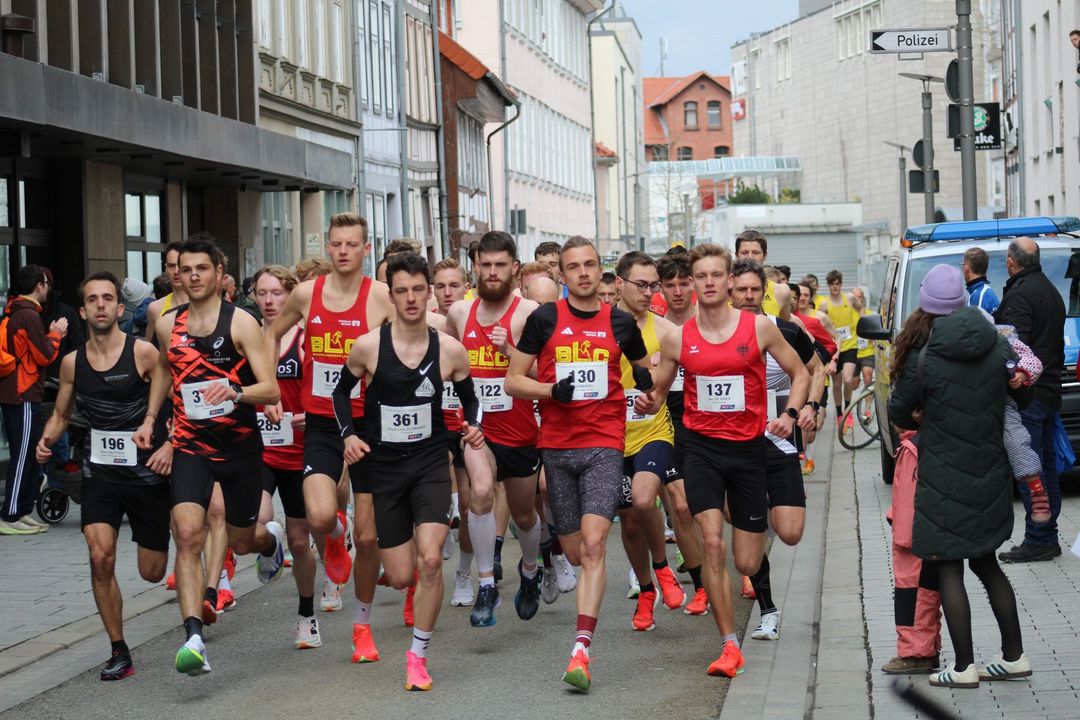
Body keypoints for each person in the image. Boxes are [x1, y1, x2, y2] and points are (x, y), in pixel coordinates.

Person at [639, 243, 809, 679]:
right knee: (711, 542)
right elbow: (659, 390)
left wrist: (791, 413)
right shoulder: (676, 336)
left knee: (747, 561)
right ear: (693, 283)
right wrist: (647, 400)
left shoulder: (758, 328)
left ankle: (751, 567)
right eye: (703, 276)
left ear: (730, 281)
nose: (710, 282)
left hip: (749, 450)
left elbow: (801, 373)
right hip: (701, 449)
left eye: (718, 275)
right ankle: (729, 644)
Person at [506, 236, 653, 692]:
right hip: (557, 447)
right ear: (562, 275)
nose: (584, 273)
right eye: (574, 267)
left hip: (604, 444)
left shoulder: (621, 322)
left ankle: (581, 650)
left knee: (593, 546)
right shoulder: (545, 319)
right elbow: (513, 381)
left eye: (591, 264)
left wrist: (649, 395)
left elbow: (646, 373)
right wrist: (551, 392)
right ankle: (555, 565)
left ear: (599, 269)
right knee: (574, 551)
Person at [333, 252, 484, 692]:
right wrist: (347, 436)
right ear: (392, 296)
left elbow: (470, 398)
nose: (412, 298)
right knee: (400, 575)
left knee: (432, 559)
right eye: (402, 291)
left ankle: (417, 655)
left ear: (431, 292)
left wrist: (474, 425)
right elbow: (340, 395)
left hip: (431, 463)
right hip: (383, 468)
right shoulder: (367, 346)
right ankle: (407, 586)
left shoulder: (450, 350)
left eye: (420, 289)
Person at [136, 233, 284, 676]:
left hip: (238, 447)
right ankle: (194, 638)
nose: (194, 275)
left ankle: (270, 541)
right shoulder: (167, 324)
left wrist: (236, 391)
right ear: (177, 275)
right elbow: (165, 366)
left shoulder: (241, 323)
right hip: (190, 446)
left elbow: (270, 388)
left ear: (220, 275)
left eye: (203, 268)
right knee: (187, 534)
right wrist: (150, 417)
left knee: (242, 539)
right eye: (186, 269)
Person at [888, 264, 1031, 689]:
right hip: (989, 471)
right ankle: (1014, 656)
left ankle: (964, 666)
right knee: (987, 564)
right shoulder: (997, 344)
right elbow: (1023, 392)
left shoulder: (923, 354)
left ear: (927, 307)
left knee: (948, 566)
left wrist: (920, 412)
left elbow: (898, 410)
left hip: (943, 474)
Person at [267, 212, 396, 664]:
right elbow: (270, 332)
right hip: (321, 421)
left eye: (351, 244)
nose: (343, 251)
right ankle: (333, 539)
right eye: (336, 243)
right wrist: (268, 388)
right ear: (328, 247)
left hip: (370, 423)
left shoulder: (380, 297)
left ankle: (361, 626)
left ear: (365, 249)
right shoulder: (306, 294)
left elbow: (411, 341)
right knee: (320, 518)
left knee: (369, 538)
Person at [35, 271, 173, 680]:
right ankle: (119, 650)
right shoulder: (73, 363)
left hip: (147, 475)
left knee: (152, 572)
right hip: (101, 475)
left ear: (118, 307)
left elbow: (172, 398)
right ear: (82, 310)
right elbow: (61, 414)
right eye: (92, 299)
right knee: (100, 557)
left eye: (107, 298)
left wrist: (165, 439)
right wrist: (46, 440)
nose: (100, 304)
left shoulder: (144, 353)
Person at [445, 231, 546, 627]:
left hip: (520, 431)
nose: (491, 272)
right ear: (475, 268)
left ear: (514, 268)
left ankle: (531, 569)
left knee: (523, 515)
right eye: (484, 265)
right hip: (477, 429)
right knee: (481, 494)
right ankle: (485, 583)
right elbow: (446, 362)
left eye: (499, 265)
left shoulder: (530, 314)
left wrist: (511, 354)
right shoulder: (459, 314)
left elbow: (546, 376)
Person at [729, 261, 822, 642]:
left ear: (765, 294)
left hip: (779, 442)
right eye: (743, 290)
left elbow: (816, 370)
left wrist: (808, 409)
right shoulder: (716, 337)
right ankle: (768, 609)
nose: (749, 297)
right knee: (747, 555)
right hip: (735, 450)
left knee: (790, 532)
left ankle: (757, 514)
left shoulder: (785, 332)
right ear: (730, 293)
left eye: (756, 291)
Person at [612, 252, 687, 632]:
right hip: (610, 437)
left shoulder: (667, 331)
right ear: (618, 283)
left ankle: (663, 567)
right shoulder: (600, 326)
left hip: (653, 430)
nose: (648, 292)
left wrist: (652, 394)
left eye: (652, 285)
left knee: (645, 499)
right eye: (640, 285)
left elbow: (662, 391)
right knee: (627, 522)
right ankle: (645, 591)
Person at [252, 264, 323, 649]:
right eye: (261, 293)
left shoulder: (305, 335)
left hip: (299, 451)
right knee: (259, 520)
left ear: (291, 295)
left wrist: (311, 416)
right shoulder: (248, 336)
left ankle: (306, 613)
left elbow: (326, 388)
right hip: (261, 449)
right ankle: (268, 544)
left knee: (301, 542)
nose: (268, 300)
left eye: (276, 293)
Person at [995, 237, 1066, 563]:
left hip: (1029, 396)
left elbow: (1012, 346)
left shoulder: (1021, 294)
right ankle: (1046, 533)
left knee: (1029, 468)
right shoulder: (1050, 290)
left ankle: (1039, 538)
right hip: (1050, 390)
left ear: (1011, 262)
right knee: (1046, 467)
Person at [655, 251, 709, 617]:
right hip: (667, 414)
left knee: (715, 505)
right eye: (669, 285)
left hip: (705, 413)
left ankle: (746, 568)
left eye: (683, 283)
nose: (677, 291)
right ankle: (703, 583)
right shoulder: (654, 327)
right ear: (661, 288)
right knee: (681, 506)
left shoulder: (708, 321)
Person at [0, 265, 67, 535]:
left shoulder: (15, 311)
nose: (48, 290)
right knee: (22, 455)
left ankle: (22, 510)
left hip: (17, 391)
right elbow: (45, 356)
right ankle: (10, 514)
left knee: (27, 453)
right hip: (22, 392)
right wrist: (56, 334)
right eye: (46, 284)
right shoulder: (28, 315)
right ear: (39, 285)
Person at [819, 270, 860, 425]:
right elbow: (820, 324)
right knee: (836, 384)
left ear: (841, 284)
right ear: (828, 285)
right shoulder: (824, 304)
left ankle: (848, 409)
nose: (835, 287)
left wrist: (860, 325)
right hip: (835, 347)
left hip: (850, 344)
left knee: (848, 379)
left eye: (837, 284)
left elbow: (860, 309)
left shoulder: (849, 298)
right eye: (832, 284)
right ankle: (839, 413)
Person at [734, 230, 780, 316]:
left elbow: (785, 325)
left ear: (765, 255)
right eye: (744, 253)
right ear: (736, 255)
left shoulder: (781, 292)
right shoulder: (723, 291)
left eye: (755, 253)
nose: (750, 257)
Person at [850, 287, 875, 390]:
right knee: (853, 385)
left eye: (859, 297)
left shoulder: (869, 314)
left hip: (867, 352)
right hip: (852, 351)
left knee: (868, 375)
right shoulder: (847, 314)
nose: (857, 299)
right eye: (855, 297)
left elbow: (874, 334)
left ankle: (868, 406)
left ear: (863, 299)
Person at [961, 247, 999, 315]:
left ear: (966, 268)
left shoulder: (979, 296)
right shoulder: (982, 292)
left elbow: (976, 325)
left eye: (963, 265)